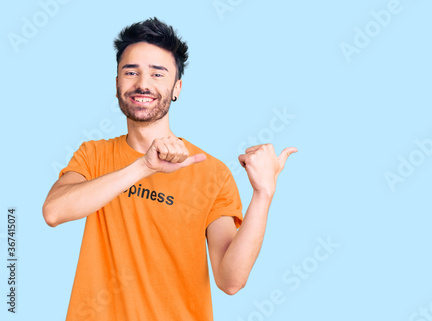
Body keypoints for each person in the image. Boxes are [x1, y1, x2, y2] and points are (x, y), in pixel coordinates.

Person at [42, 17, 297, 321]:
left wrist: (263, 194)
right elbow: (54, 211)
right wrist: (143, 167)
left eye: (157, 73)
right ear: (117, 84)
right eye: (131, 71)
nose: (143, 83)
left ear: (176, 88)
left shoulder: (211, 173)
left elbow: (230, 281)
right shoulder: (93, 155)